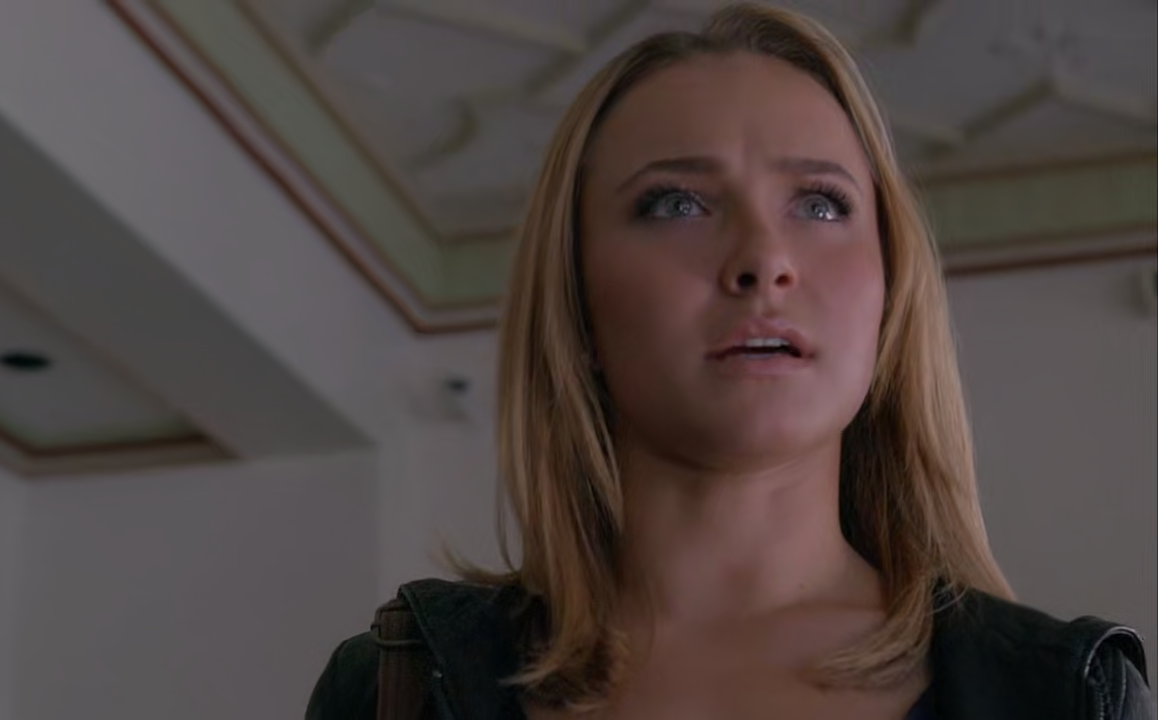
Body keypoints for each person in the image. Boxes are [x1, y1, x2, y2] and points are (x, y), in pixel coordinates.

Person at [306, 3, 1153, 719]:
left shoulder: (1067, 696)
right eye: (677, 203)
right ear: (577, 297)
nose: (764, 260)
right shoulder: (395, 687)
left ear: (891, 290)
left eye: (820, 203)